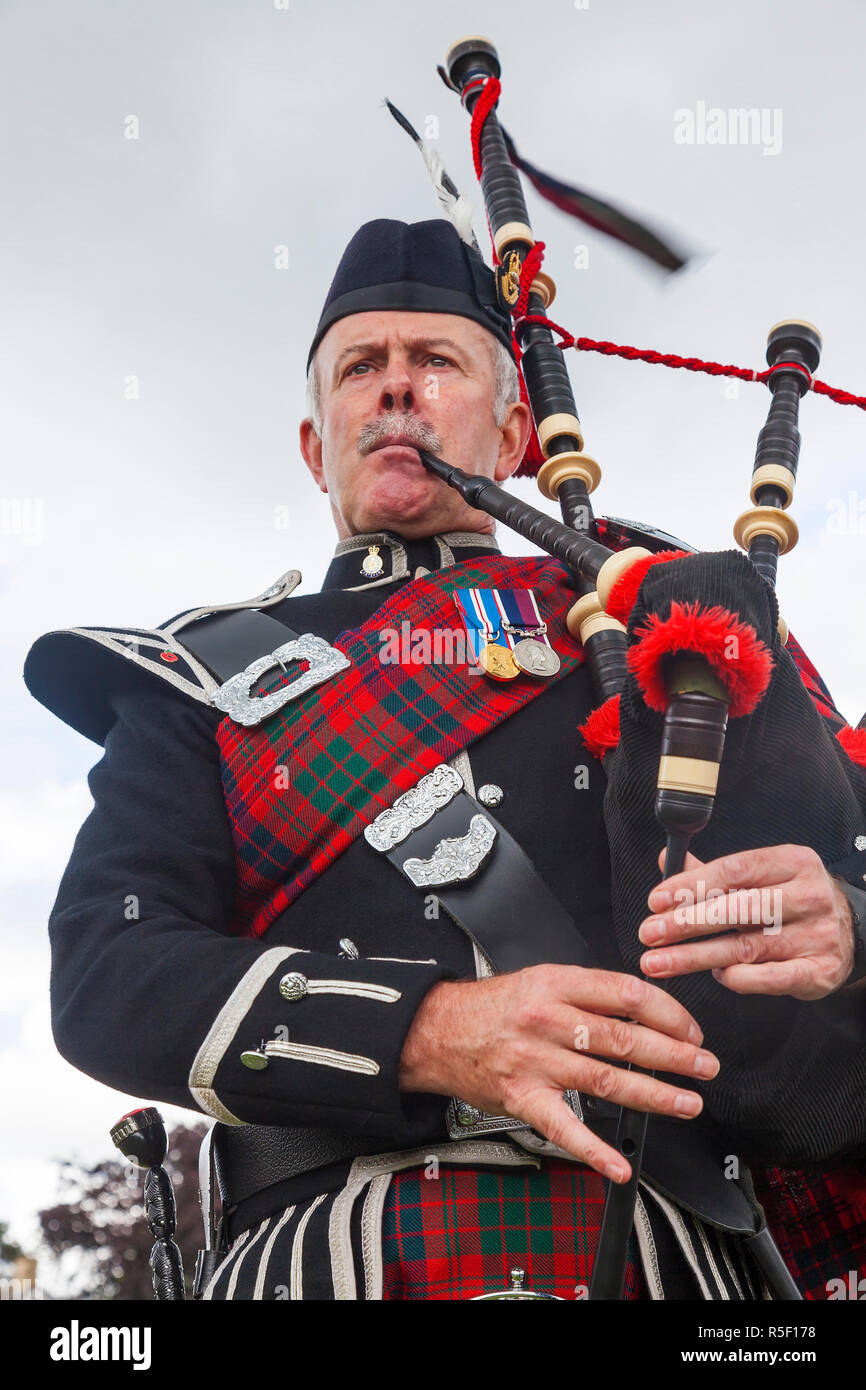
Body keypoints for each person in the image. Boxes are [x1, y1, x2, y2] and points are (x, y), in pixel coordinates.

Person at [25, 218, 866, 1301]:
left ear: (516, 427)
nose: (395, 392)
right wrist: (427, 1029)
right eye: (360, 368)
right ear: (312, 440)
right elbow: (108, 974)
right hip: (325, 1258)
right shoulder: (196, 677)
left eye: (434, 362)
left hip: (667, 1254)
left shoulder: (651, 620)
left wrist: (845, 923)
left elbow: (832, 897)